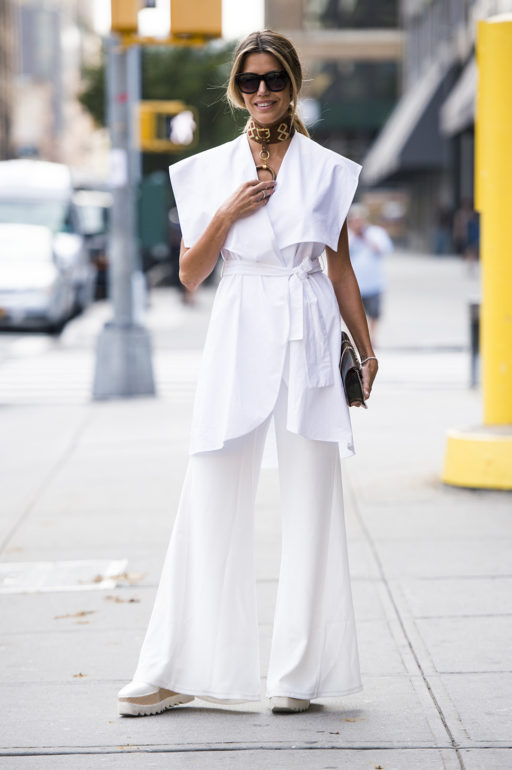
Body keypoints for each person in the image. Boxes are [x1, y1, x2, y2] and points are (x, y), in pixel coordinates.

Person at [118, 30, 378, 717]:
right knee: (210, 487)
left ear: (293, 84)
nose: (262, 91)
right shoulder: (207, 172)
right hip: (239, 323)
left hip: (309, 327)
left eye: (275, 79)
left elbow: (339, 265)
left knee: (313, 499)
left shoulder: (327, 170)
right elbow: (190, 273)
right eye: (251, 81)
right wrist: (228, 214)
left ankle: (301, 675)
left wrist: (366, 346)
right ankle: (177, 668)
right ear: (237, 89)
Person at [348, 204, 393, 345]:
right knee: (355, 314)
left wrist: (365, 237)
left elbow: (385, 249)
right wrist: (355, 235)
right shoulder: (347, 235)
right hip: (355, 283)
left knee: (374, 313)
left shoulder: (375, 233)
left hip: (374, 282)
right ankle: (360, 339)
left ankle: (372, 338)